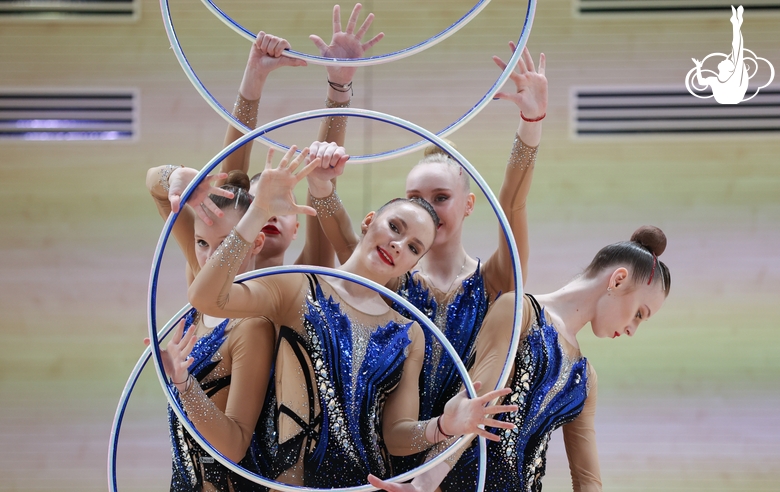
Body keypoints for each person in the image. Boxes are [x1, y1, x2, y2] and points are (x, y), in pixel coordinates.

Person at [187, 145, 519, 490]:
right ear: (370, 221)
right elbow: (206, 297)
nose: (398, 245)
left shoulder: (408, 333)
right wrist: (258, 212)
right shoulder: (299, 286)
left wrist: (441, 427)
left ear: (414, 264)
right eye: (395, 227)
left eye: (413, 247)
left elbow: (394, 435)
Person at [305, 42, 547, 473]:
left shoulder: (492, 280)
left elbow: (512, 205)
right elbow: (327, 202)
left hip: (459, 462)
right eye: (417, 198)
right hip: (384, 456)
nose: (429, 208)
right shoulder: (389, 271)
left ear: (470, 204)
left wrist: (531, 124)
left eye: (441, 197)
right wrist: (338, 91)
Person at [369, 225, 672, 492]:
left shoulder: (585, 378)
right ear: (618, 280)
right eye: (639, 314)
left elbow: (589, 481)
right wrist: (424, 482)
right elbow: (475, 405)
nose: (633, 329)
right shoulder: (519, 312)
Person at [217, 3, 385, 272]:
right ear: (237, 217)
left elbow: (322, 179)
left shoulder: (312, 270)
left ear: (296, 227)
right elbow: (230, 178)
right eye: (259, 203)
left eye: (281, 202)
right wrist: (254, 74)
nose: (270, 212)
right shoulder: (214, 273)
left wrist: (339, 86)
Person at [146, 165, 274, 491]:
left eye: (226, 245)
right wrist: (175, 178)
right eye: (201, 243)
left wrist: (184, 383)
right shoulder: (202, 287)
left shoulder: (251, 326)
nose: (210, 258)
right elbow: (155, 186)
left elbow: (234, 446)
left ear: (255, 243)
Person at [692, 5, 748, 104]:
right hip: (728, 98)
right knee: (737, 51)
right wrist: (698, 67)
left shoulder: (734, 77)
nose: (724, 59)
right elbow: (701, 82)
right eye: (727, 60)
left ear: (729, 69)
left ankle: (736, 24)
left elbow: (737, 48)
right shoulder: (715, 80)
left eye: (727, 61)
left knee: (737, 50)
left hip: (733, 97)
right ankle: (736, 24)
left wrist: (736, 25)